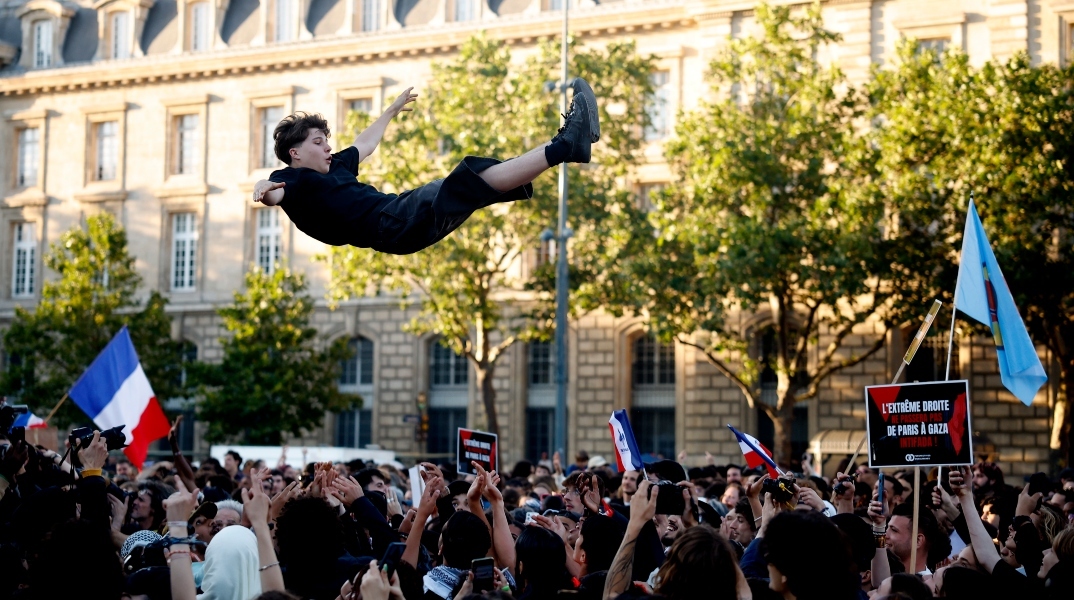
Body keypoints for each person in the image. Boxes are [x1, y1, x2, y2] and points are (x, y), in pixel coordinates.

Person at [253, 80, 600, 256]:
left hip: (401, 219)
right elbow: (275, 193)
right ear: (295, 153)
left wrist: (390, 111)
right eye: (318, 143)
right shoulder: (293, 180)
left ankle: (567, 144)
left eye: (326, 140)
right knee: (468, 179)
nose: (327, 147)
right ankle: (566, 144)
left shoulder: (338, 166)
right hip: (390, 224)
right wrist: (263, 187)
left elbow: (365, 143)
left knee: (478, 183)